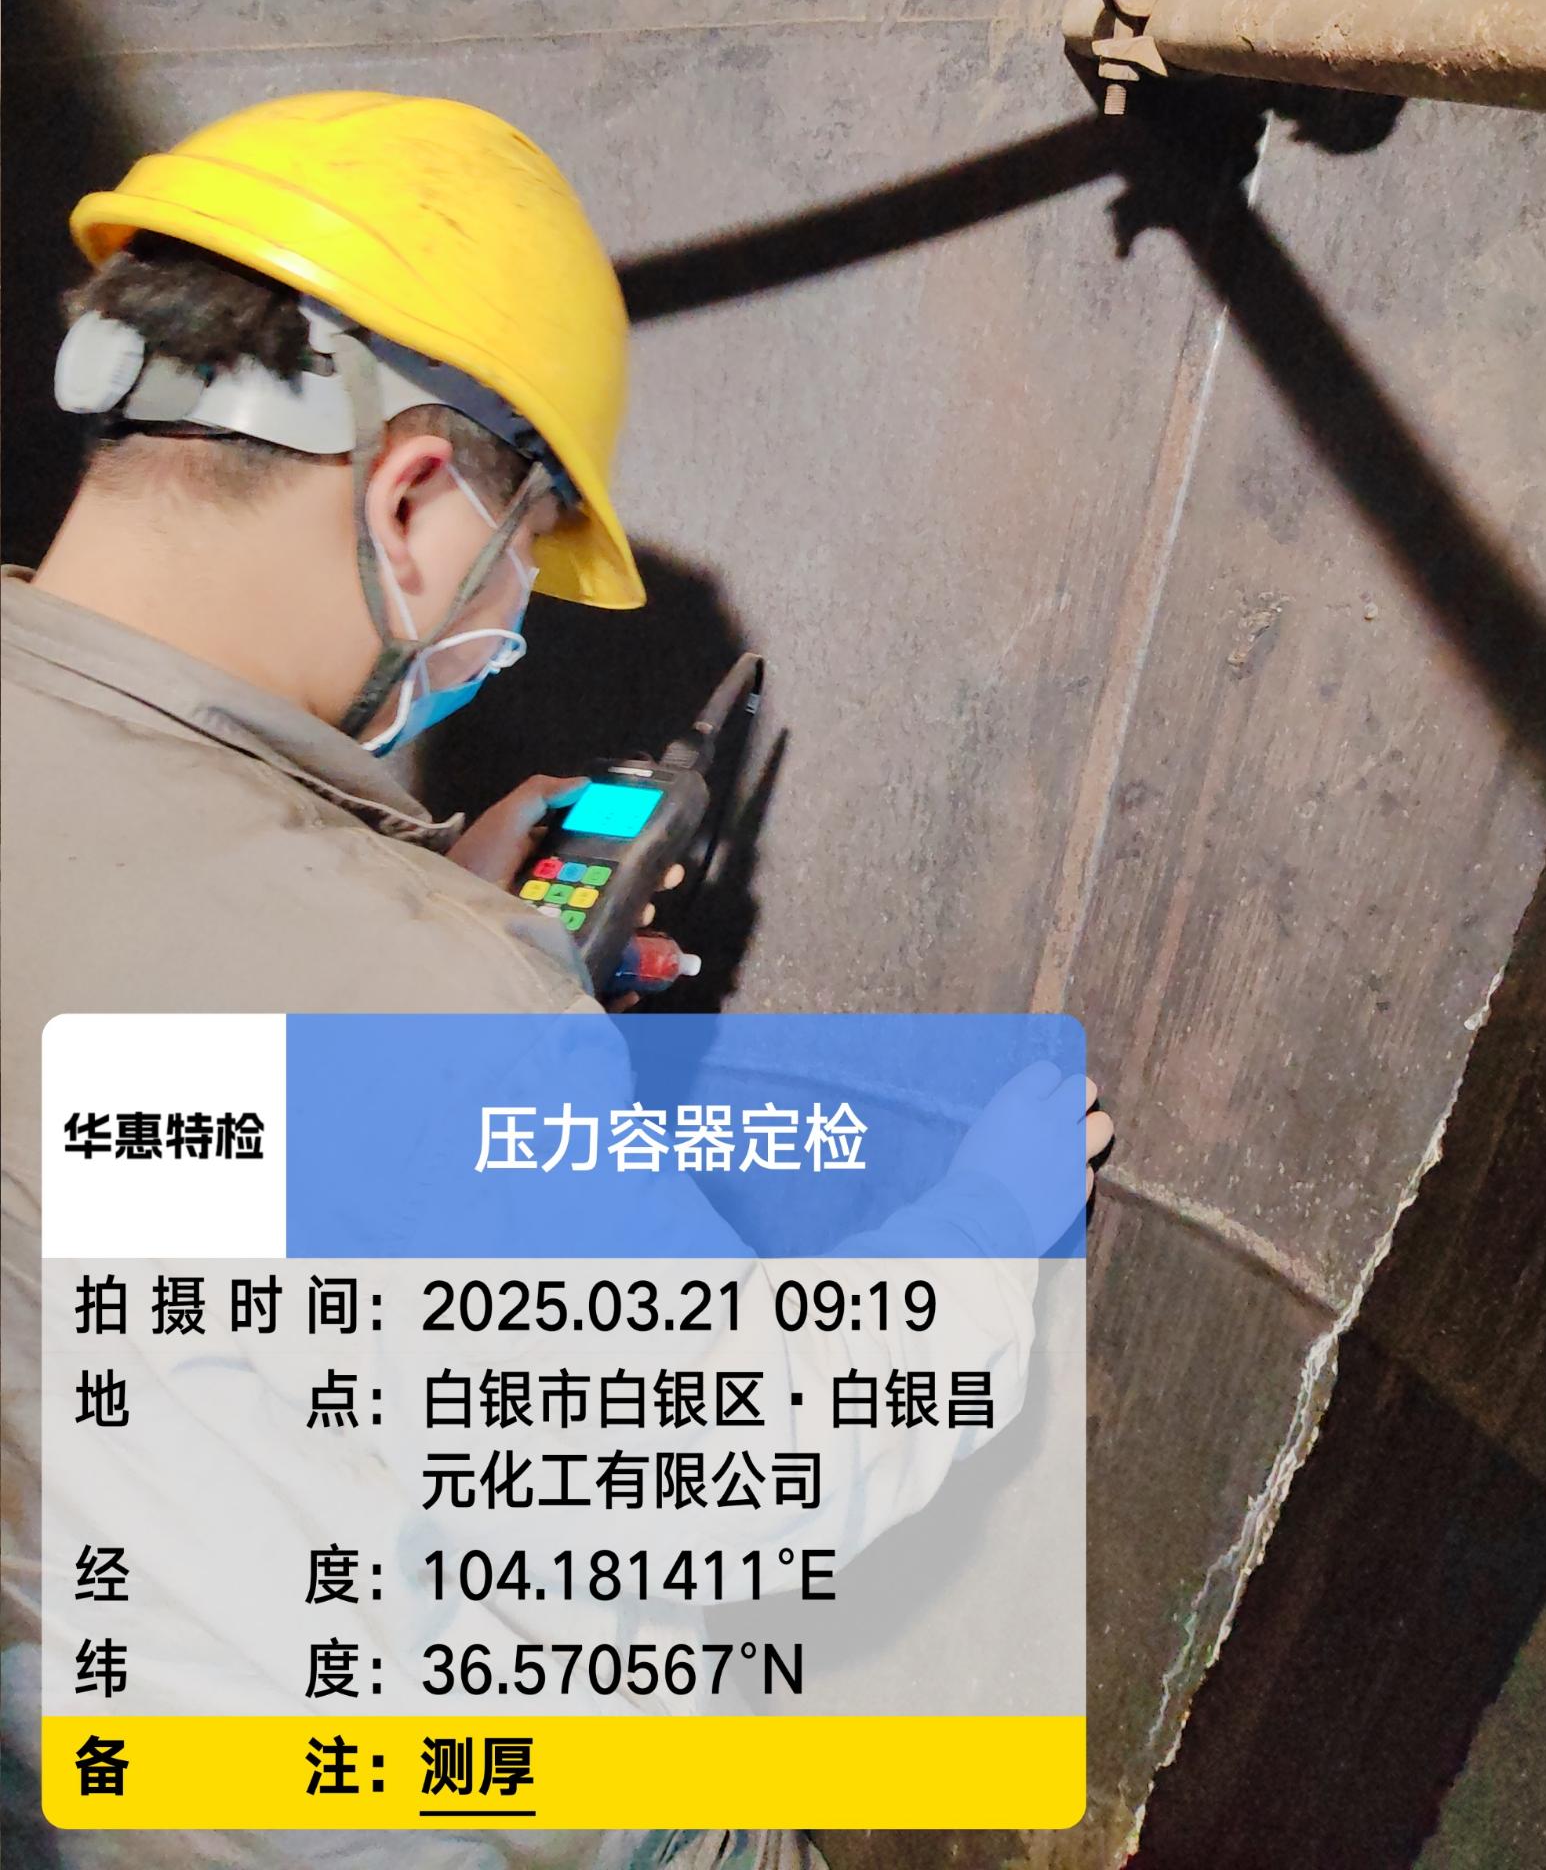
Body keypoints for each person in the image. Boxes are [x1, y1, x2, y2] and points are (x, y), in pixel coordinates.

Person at [0, 91, 1112, 1870]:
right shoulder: (420, 1002)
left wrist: (390, 929)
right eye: (520, 554)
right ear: (409, 497)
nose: (508, 619)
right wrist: (992, 1221)